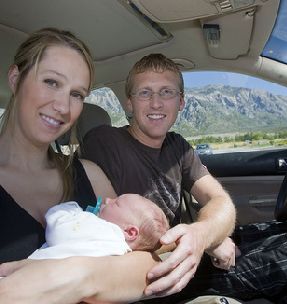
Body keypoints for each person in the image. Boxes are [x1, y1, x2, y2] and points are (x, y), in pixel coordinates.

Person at [81, 53, 287, 303]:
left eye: (166, 92)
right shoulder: (104, 142)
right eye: (145, 92)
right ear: (129, 104)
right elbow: (115, 238)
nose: (156, 103)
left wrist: (205, 233)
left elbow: (219, 199)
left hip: (182, 250)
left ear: (181, 103)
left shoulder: (179, 147)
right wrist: (204, 240)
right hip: (153, 273)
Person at [0, 28, 166, 304]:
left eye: (77, 94)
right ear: (16, 79)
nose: (63, 106)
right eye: (51, 82)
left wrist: (80, 276)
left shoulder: (88, 174)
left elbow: (147, 260)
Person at [29, 194, 169, 259]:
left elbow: (58, 230)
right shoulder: (119, 252)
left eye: (116, 203)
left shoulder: (106, 233)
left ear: (130, 232)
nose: (108, 199)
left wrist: (71, 209)